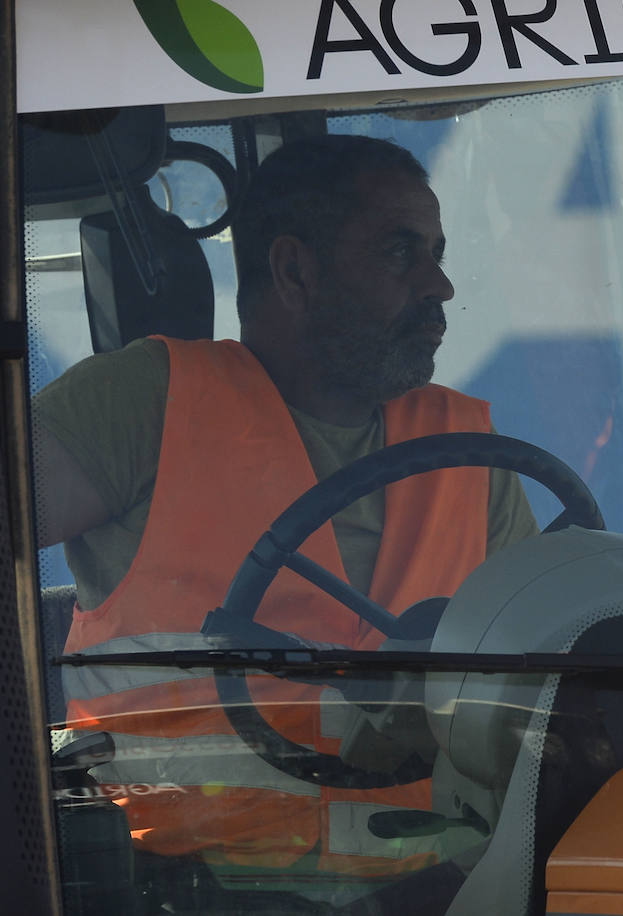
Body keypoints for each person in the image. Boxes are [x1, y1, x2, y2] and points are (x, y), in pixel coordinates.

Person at [34, 135, 538, 907]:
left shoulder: (469, 455)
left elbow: (545, 676)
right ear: (295, 270)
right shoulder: (145, 402)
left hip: (444, 890)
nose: (440, 283)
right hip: (173, 890)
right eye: (401, 253)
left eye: (437, 252)